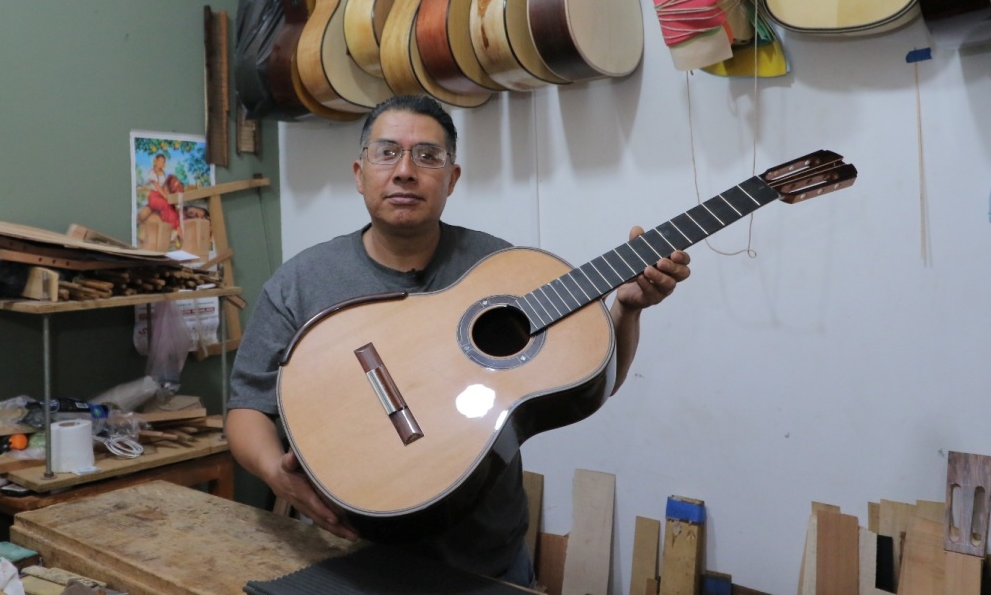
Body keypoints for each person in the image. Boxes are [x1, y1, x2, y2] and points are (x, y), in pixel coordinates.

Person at [225, 95, 691, 587]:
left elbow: (588, 378)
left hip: (485, 561)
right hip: (338, 557)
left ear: (452, 179)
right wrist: (276, 475)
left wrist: (628, 308)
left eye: (428, 156)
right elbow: (245, 410)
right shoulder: (301, 281)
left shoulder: (502, 270)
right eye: (388, 153)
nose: (406, 171)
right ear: (359, 173)